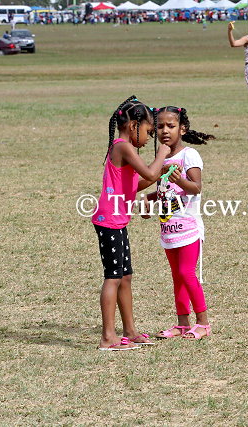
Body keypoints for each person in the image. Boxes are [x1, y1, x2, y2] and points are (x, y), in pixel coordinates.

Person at [91, 95, 171, 351]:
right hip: (109, 221)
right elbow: (148, 172)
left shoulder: (125, 150)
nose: (149, 139)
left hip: (117, 220)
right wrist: (162, 154)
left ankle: (130, 331)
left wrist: (161, 172)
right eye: (148, 132)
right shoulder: (123, 147)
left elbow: (136, 184)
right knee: (113, 278)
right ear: (134, 125)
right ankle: (108, 338)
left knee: (125, 277)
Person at [144, 106, 215, 340]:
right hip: (168, 228)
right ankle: (182, 324)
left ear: (182, 129)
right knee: (177, 276)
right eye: (160, 126)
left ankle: (203, 323)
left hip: (188, 227)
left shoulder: (189, 155)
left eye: (171, 126)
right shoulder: (161, 159)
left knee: (186, 273)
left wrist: (180, 179)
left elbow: (196, 187)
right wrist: (148, 200)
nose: (165, 131)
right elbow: (165, 191)